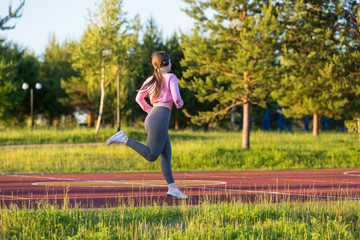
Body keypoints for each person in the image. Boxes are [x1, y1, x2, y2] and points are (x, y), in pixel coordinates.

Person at [106, 51, 187, 199]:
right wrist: (179, 103)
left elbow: (139, 98)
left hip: (153, 118)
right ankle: (124, 138)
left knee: (166, 155)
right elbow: (176, 98)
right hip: (160, 119)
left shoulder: (150, 79)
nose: (171, 64)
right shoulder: (171, 77)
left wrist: (149, 110)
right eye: (170, 61)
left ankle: (172, 188)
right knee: (151, 155)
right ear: (166, 63)